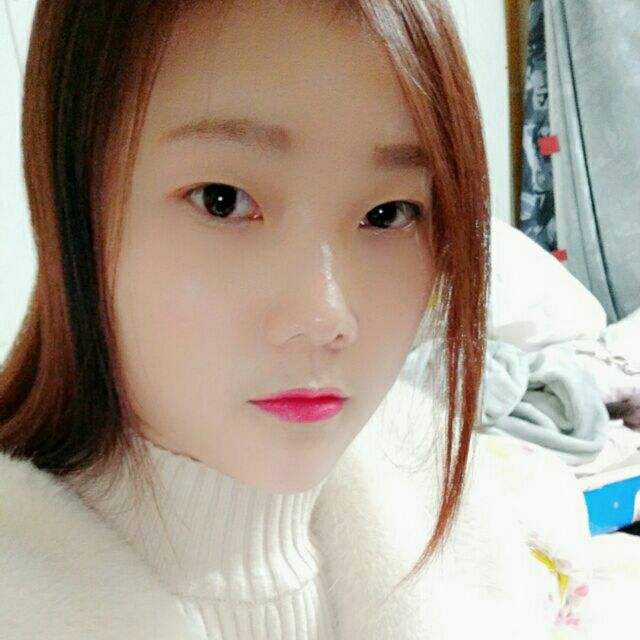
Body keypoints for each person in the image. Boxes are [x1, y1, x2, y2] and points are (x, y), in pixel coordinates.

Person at [0, 1, 591, 638]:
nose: (324, 316)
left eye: (389, 213)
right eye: (223, 201)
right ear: (73, 203)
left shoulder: (467, 526)